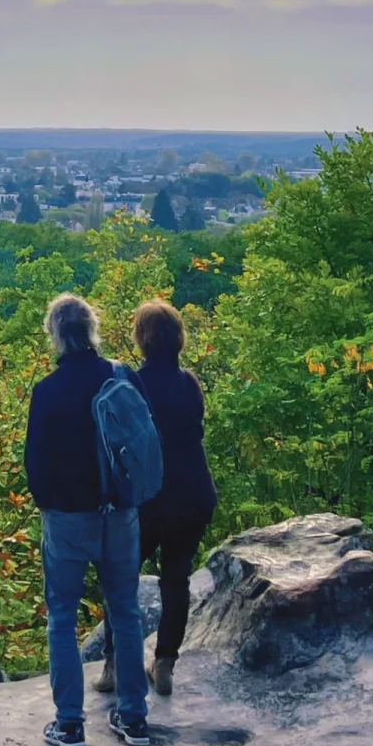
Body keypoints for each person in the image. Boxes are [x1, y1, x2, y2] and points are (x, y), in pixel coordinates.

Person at [25, 294, 151, 746]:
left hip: (66, 519)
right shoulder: (122, 377)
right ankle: (135, 718)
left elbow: (34, 465)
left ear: (56, 335)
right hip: (119, 514)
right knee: (125, 612)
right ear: (93, 330)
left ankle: (70, 725)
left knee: (61, 617)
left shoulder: (48, 391)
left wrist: (51, 505)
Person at [94, 299, 217, 700]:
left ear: (142, 339)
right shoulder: (190, 383)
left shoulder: (132, 384)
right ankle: (164, 664)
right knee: (176, 578)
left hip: (148, 499)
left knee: (120, 578)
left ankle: (113, 665)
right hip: (194, 494)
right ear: (177, 338)